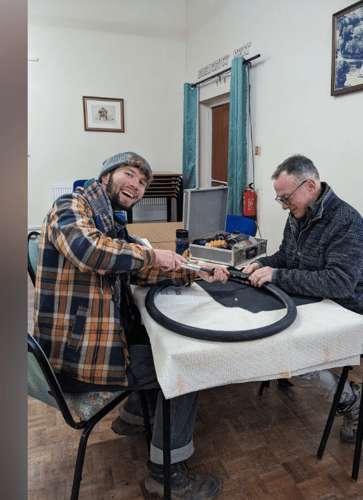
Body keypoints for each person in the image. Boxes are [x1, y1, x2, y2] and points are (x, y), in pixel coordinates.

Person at [33, 151, 228, 499]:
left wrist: (196, 272)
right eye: (129, 174)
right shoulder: (70, 206)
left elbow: (138, 266)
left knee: (150, 340)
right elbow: (92, 251)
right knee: (186, 366)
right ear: (105, 176)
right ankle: (165, 475)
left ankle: (134, 416)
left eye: (141, 183)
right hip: (78, 362)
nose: (136, 186)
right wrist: (153, 254)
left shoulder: (109, 222)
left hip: (82, 351)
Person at [243, 154, 363, 443]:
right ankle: (289, 369)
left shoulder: (346, 223)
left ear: (311, 186)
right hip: (312, 300)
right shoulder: (299, 213)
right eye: (280, 200)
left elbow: (338, 284)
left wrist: (276, 276)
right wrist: (263, 263)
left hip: (347, 310)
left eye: (286, 199)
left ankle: (352, 401)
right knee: (261, 326)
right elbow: (287, 257)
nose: (284, 206)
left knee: (289, 348)